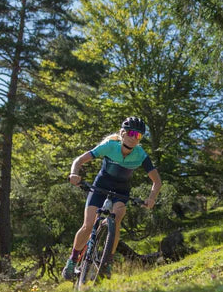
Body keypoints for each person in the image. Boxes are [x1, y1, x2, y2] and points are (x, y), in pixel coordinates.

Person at [63, 116, 161, 281]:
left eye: (138, 135)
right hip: (100, 187)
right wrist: (74, 173)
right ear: (122, 133)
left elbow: (157, 181)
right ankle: (72, 260)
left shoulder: (140, 154)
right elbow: (79, 160)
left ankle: (107, 262)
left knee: (115, 222)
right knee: (87, 226)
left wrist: (151, 198)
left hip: (121, 190)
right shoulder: (109, 147)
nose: (133, 137)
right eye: (130, 133)